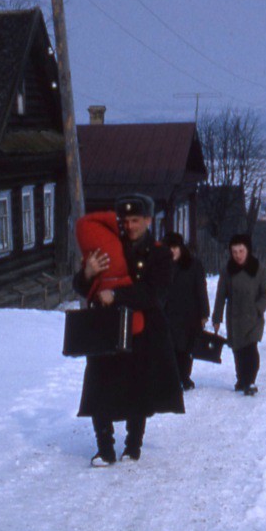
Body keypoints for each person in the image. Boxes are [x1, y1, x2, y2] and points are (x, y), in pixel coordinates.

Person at [73, 193, 184, 466]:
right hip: (105, 326)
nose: (130, 226)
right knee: (99, 385)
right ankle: (104, 449)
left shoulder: (159, 254)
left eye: (136, 220)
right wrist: (87, 273)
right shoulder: (109, 246)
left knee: (139, 387)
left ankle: (133, 446)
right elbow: (85, 288)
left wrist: (118, 295)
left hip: (143, 331)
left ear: (148, 220)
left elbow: (154, 294)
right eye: (126, 220)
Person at [212, 234, 266, 396]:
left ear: (248, 250)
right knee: (238, 350)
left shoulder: (259, 269)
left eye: (241, 251)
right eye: (234, 252)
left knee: (251, 349)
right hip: (235, 317)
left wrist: (258, 308)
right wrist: (217, 318)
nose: (238, 255)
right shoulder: (227, 270)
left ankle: (250, 381)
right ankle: (241, 379)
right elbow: (220, 296)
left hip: (253, 317)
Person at [162, 231, 210, 390]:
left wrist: (204, 313)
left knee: (186, 349)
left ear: (181, 248)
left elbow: (201, 289)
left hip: (189, 314)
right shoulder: (161, 266)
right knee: (170, 347)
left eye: (175, 247)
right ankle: (173, 378)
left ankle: (184, 377)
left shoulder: (193, 264)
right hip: (168, 314)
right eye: (169, 248)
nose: (172, 251)